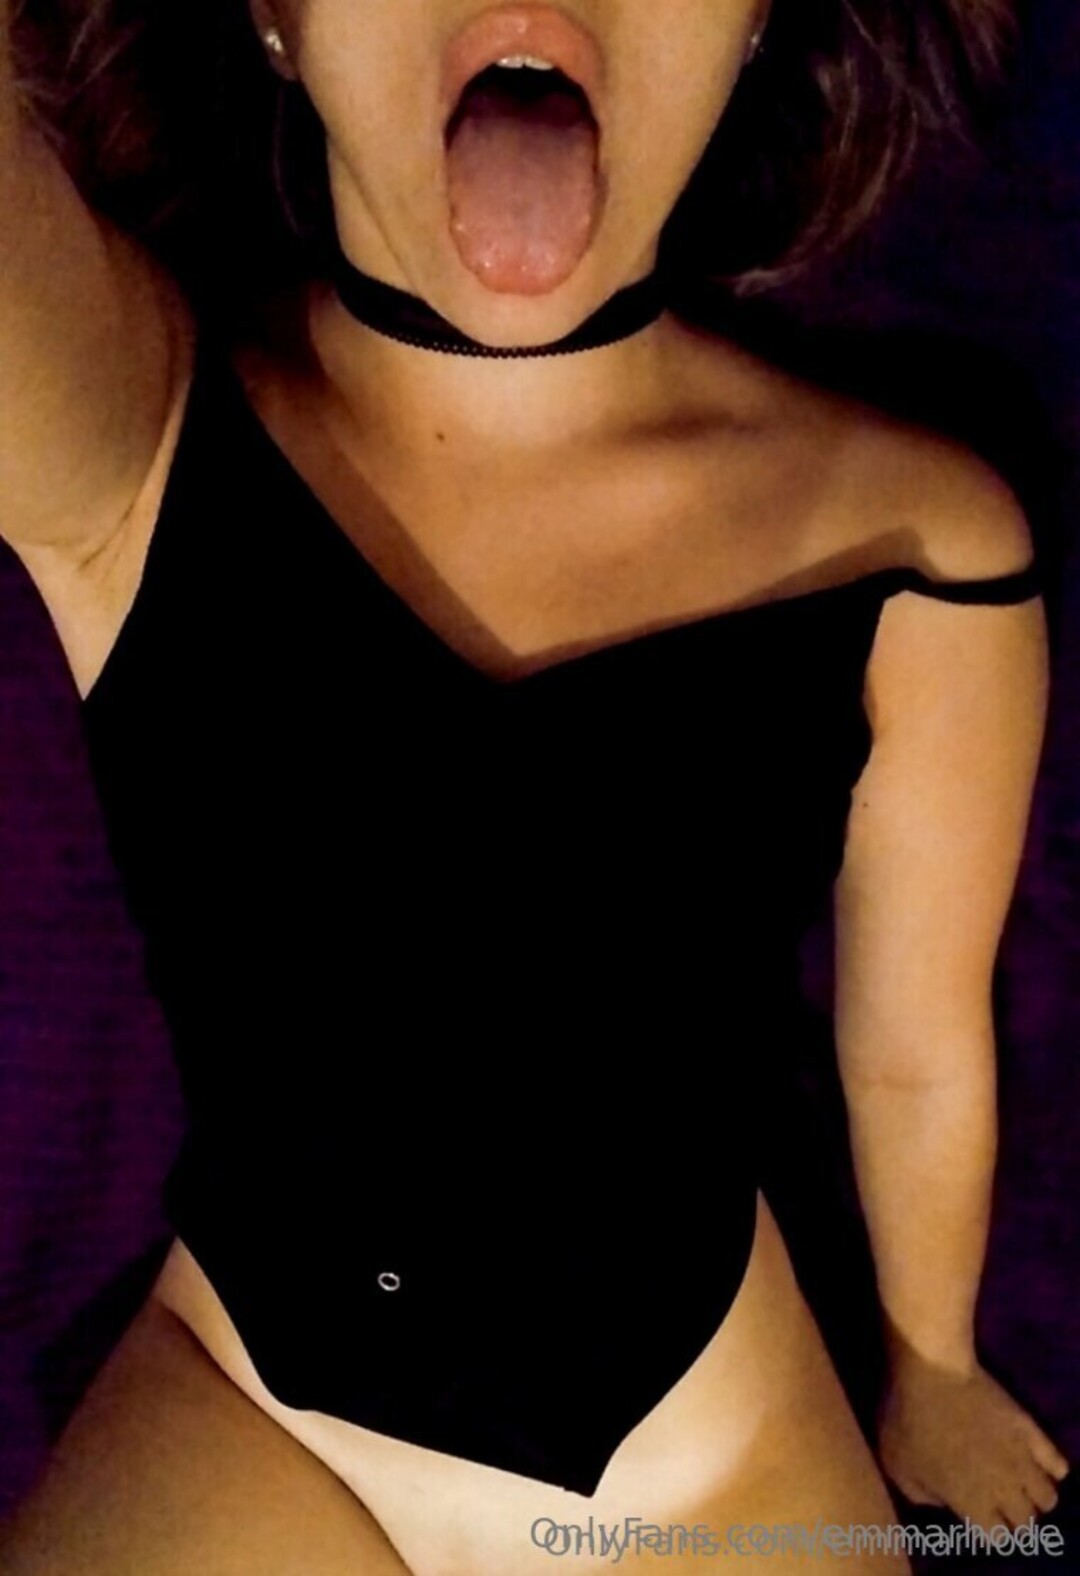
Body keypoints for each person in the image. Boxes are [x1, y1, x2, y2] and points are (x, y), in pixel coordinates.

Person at [0, 0, 1071, 1570]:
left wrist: (934, 1370)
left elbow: (915, 1050)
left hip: (710, 1461)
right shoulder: (143, 442)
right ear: (272, 18)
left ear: (757, 23)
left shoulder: (918, 539)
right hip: (250, 1411)